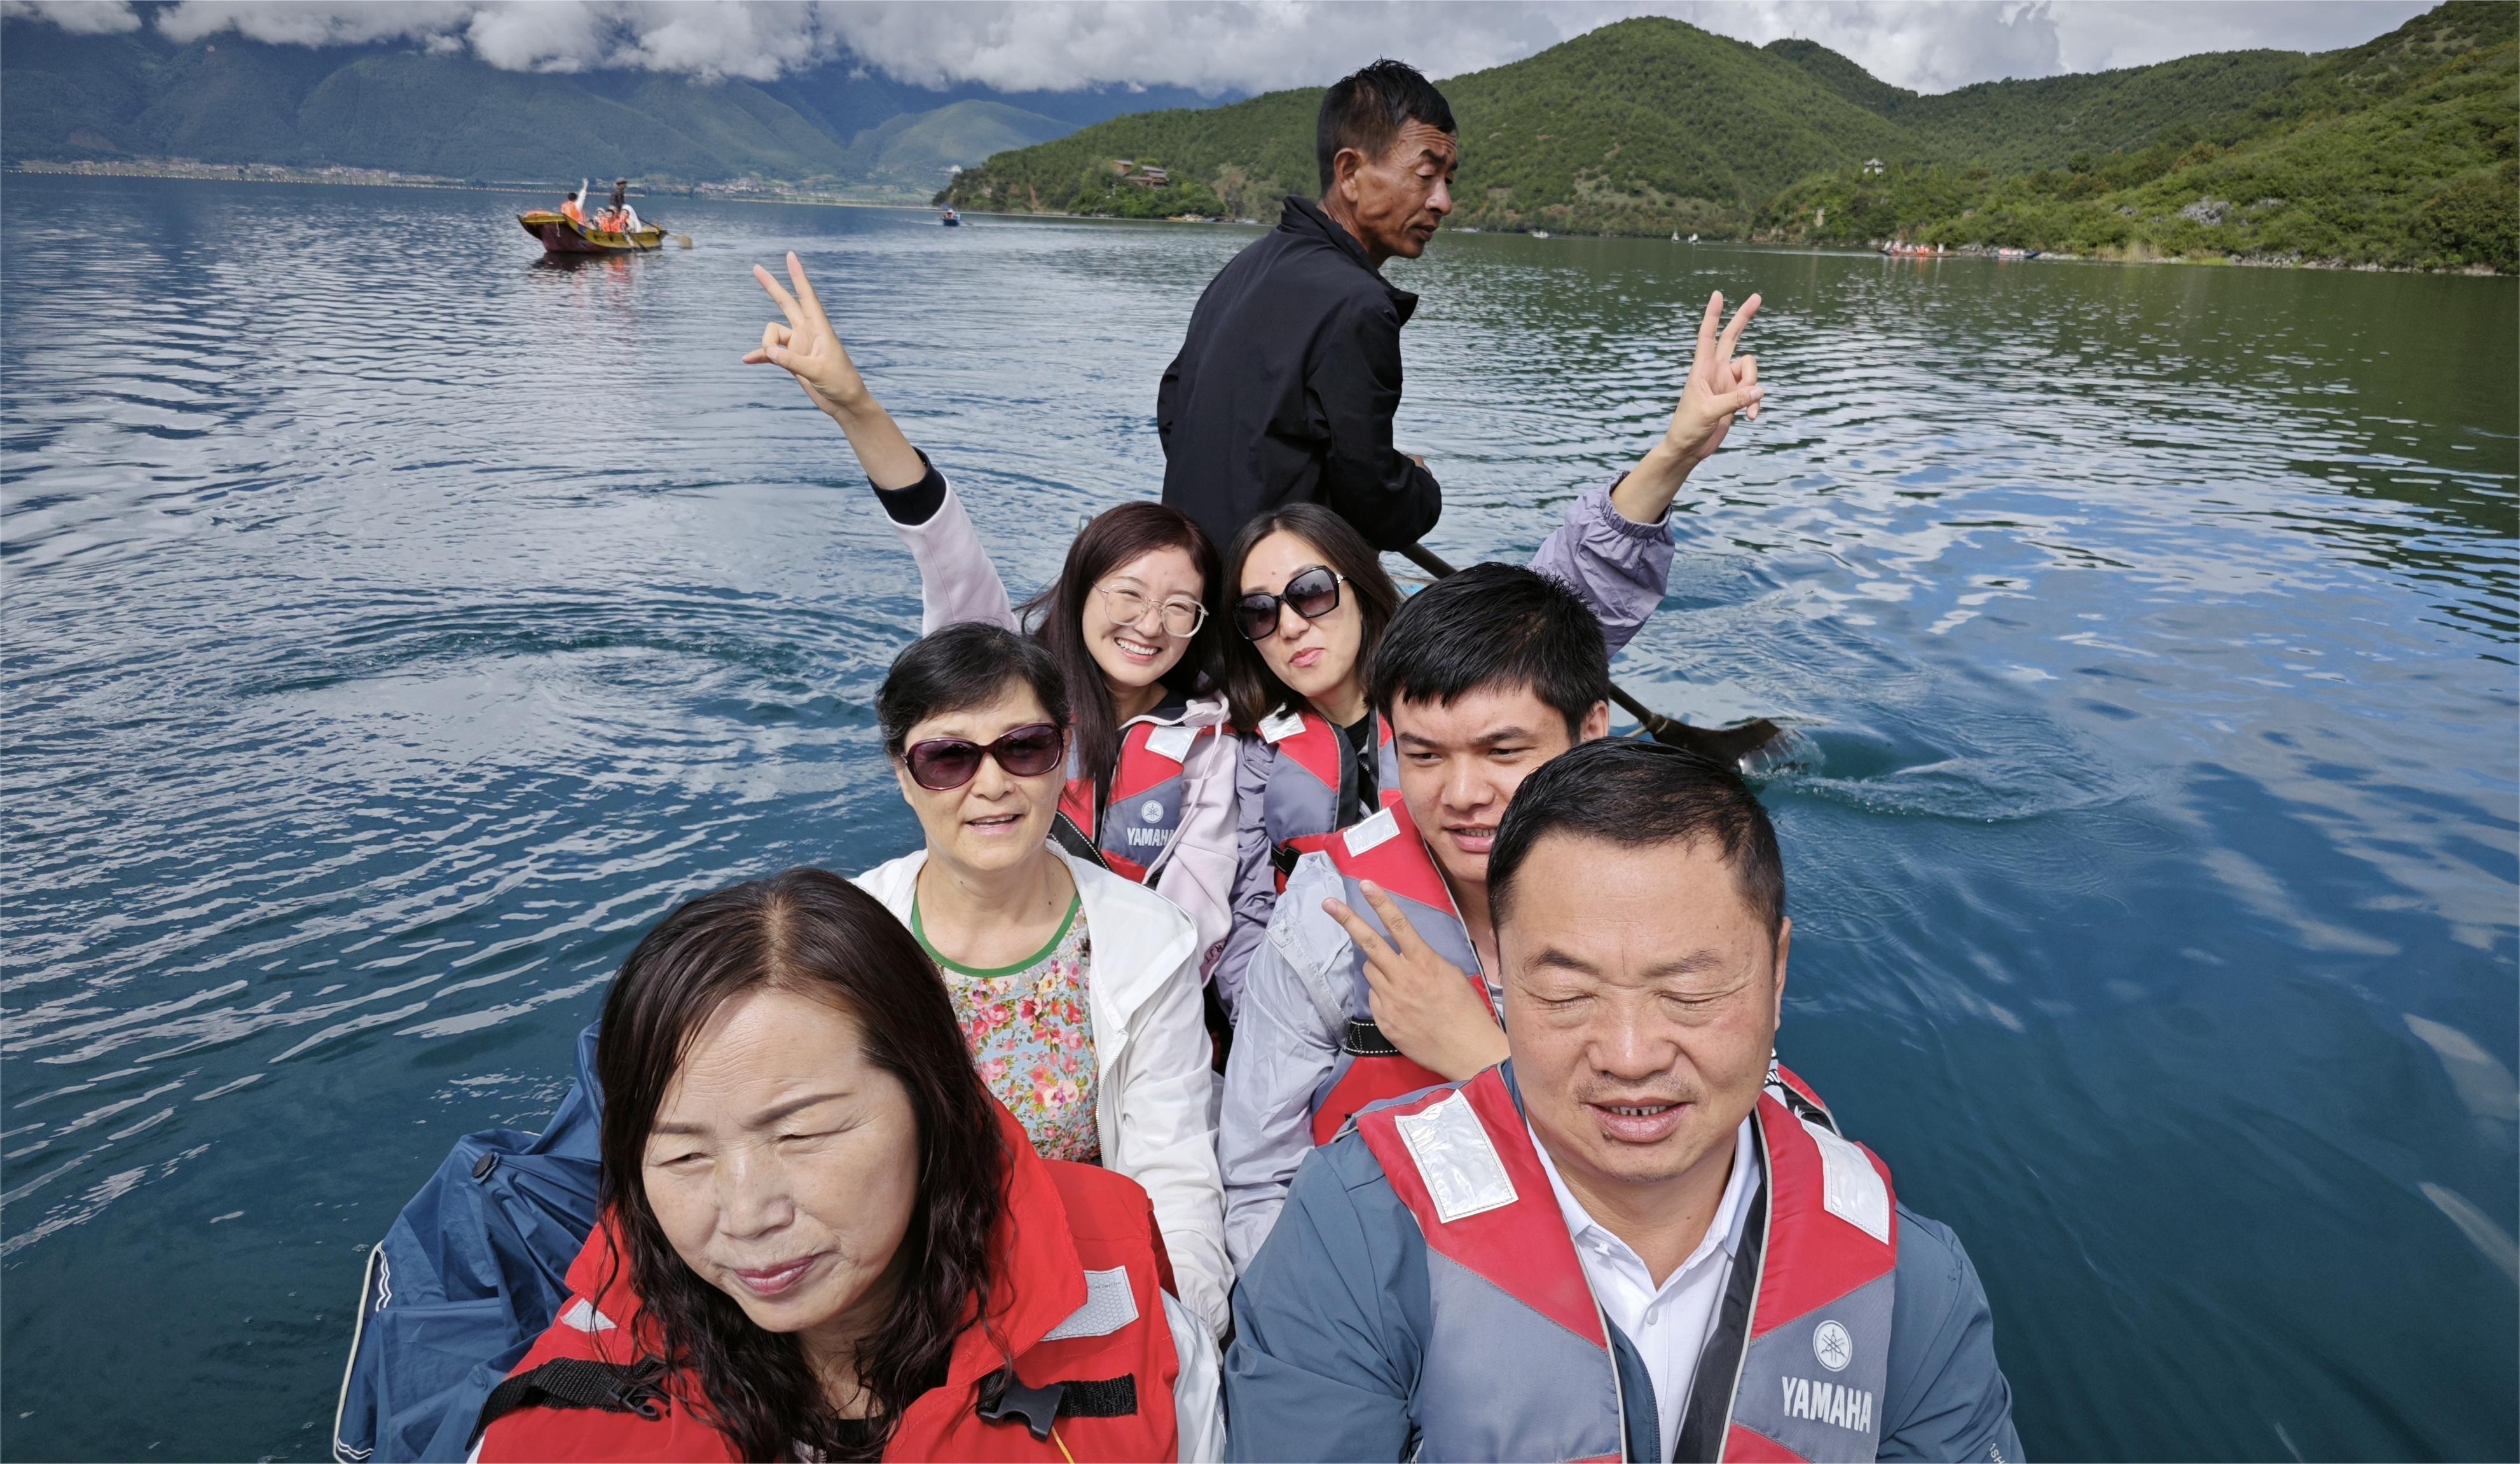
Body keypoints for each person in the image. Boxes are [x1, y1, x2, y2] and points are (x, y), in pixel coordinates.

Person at [1222, 741, 2021, 1462]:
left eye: (1690, 992)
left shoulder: (1911, 1284)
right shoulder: (1358, 1227)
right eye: (1568, 993)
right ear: (1503, 980)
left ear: (1778, 974)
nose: (1630, 1055)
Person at [471, 868, 1223, 1462]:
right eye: (685, 1152)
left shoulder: (1150, 1338)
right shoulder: (556, 1412)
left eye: (802, 1133)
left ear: (932, 1101)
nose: (746, 1215)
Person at [1209, 286, 1765, 1025]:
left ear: (1359, 586)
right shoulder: (1247, 755)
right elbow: (1249, 918)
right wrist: (1288, 1022)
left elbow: (1578, 580)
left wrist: (1677, 450)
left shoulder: (1462, 674)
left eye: (1309, 592)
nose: (1288, 624)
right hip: (1333, 1011)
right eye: (1258, 610)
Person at [747, 253, 1240, 966]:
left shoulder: (1208, 741)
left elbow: (1200, 907)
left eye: (1179, 607)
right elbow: (944, 544)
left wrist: (1110, 989)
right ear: (1081, 589)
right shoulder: (1008, 676)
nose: (1148, 624)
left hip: (1123, 982)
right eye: (1128, 595)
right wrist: (857, 407)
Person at [852, 621, 1232, 1339]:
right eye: (948, 758)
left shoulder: (1148, 940)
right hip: (895, 1293)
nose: (992, 784)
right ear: (903, 774)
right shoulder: (849, 938)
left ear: (1064, 755)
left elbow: (1173, 1173)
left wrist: (1178, 1339)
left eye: (1024, 748)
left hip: (1083, 1285)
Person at [1157, 60, 1457, 554]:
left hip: (1193, 571)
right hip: (1273, 591)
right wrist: (1419, 485)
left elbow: (1174, 409)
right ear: (1350, 172)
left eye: (1448, 180)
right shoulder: (1359, 306)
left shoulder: (1245, 268)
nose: (1442, 202)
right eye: (1426, 175)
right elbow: (1375, 503)